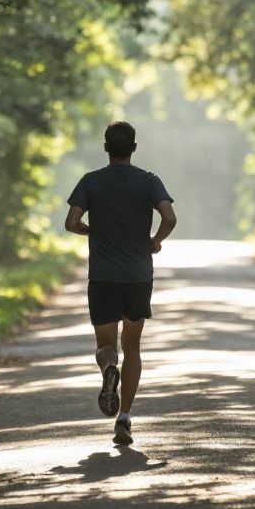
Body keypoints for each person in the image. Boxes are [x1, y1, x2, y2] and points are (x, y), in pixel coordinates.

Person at [65, 121, 176, 446]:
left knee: (106, 347)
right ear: (134, 148)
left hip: (102, 276)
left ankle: (108, 368)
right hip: (137, 276)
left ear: (106, 148)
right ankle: (124, 418)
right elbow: (169, 217)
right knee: (133, 347)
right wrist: (155, 241)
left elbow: (71, 222)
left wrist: (92, 231)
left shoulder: (91, 181)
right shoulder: (149, 181)